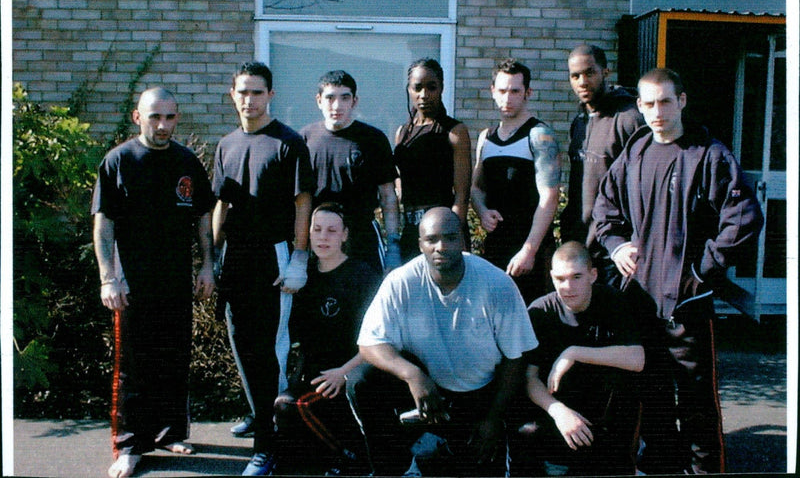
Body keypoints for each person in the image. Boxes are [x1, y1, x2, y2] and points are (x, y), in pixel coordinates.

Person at [593, 68, 764, 474]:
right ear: (639, 106)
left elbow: (743, 218)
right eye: (648, 103)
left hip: (687, 305)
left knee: (697, 405)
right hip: (640, 301)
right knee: (651, 398)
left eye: (666, 101)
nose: (657, 111)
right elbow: (605, 209)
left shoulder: (708, 154)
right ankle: (661, 468)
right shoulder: (634, 152)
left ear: (682, 101)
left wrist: (701, 272)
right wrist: (616, 246)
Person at [351, 207, 537, 476]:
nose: (440, 247)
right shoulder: (401, 281)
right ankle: (395, 467)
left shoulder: (496, 284)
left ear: (462, 241)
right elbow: (369, 342)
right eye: (431, 240)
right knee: (362, 379)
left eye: (450, 238)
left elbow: (517, 357)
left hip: (481, 394)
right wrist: (412, 375)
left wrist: (493, 419)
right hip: (429, 390)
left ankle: (449, 443)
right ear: (420, 245)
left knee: (472, 466)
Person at [92, 87, 216, 478]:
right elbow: (103, 222)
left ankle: (168, 432)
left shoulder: (186, 161)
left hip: (175, 280)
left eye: (170, 117)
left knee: (172, 358)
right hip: (131, 285)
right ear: (137, 117)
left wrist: (207, 266)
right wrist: (107, 278)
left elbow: (201, 219)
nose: (162, 125)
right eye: (154, 117)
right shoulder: (118, 161)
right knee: (132, 365)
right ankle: (129, 446)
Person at [212, 61, 314, 476]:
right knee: (241, 342)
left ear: (270, 95)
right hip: (235, 257)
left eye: (257, 92)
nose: (249, 99)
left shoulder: (288, 143)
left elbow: (302, 203)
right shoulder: (226, 144)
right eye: (243, 92)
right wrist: (213, 257)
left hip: (274, 259)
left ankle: (268, 447)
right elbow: (221, 203)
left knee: (271, 350)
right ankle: (260, 413)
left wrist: (300, 258)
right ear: (232, 95)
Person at [514, 241, 644, 476]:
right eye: (560, 279)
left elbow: (637, 359)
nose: (568, 287)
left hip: (605, 410)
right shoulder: (540, 312)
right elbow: (529, 378)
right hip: (559, 409)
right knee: (525, 434)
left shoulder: (613, 301)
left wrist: (573, 352)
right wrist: (558, 412)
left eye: (577, 277)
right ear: (552, 277)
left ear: (593, 275)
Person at [273, 202, 381, 475]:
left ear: (345, 235)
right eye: (317, 229)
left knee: (290, 407)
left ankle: (355, 459)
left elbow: (382, 337)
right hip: (315, 377)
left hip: (349, 376)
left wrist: (345, 373)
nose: (323, 237)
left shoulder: (363, 276)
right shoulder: (302, 276)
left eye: (332, 231)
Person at [471, 58, 561, 304]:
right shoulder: (486, 138)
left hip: (529, 249)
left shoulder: (540, 135)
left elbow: (550, 197)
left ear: (527, 93)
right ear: (492, 92)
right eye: (502, 91)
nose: (507, 98)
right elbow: (477, 187)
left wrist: (529, 251)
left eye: (515, 91)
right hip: (496, 247)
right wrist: (481, 210)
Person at [558, 45, 644, 287]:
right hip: (581, 247)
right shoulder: (580, 122)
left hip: (615, 252)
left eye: (589, 73)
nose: (582, 82)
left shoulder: (630, 119)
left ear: (606, 72)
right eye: (575, 76)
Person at [300, 70, 401, 274]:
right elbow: (299, 200)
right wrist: (299, 251)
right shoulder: (304, 139)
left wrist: (393, 245)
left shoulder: (373, 139)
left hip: (362, 239)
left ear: (354, 101)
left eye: (344, 98)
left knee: (367, 302)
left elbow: (388, 196)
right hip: (320, 238)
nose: (337, 106)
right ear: (319, 100)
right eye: (330, 98)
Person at [394, 58, 472, 261]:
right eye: (417, 87)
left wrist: (454, 237)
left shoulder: (454, 132)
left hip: (442, 231)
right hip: (411, 230)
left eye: (431, 87)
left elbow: (461, 195)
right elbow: (399, 181)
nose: (424, 95)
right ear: (409, 89)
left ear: (441, 88)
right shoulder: (402, 133)